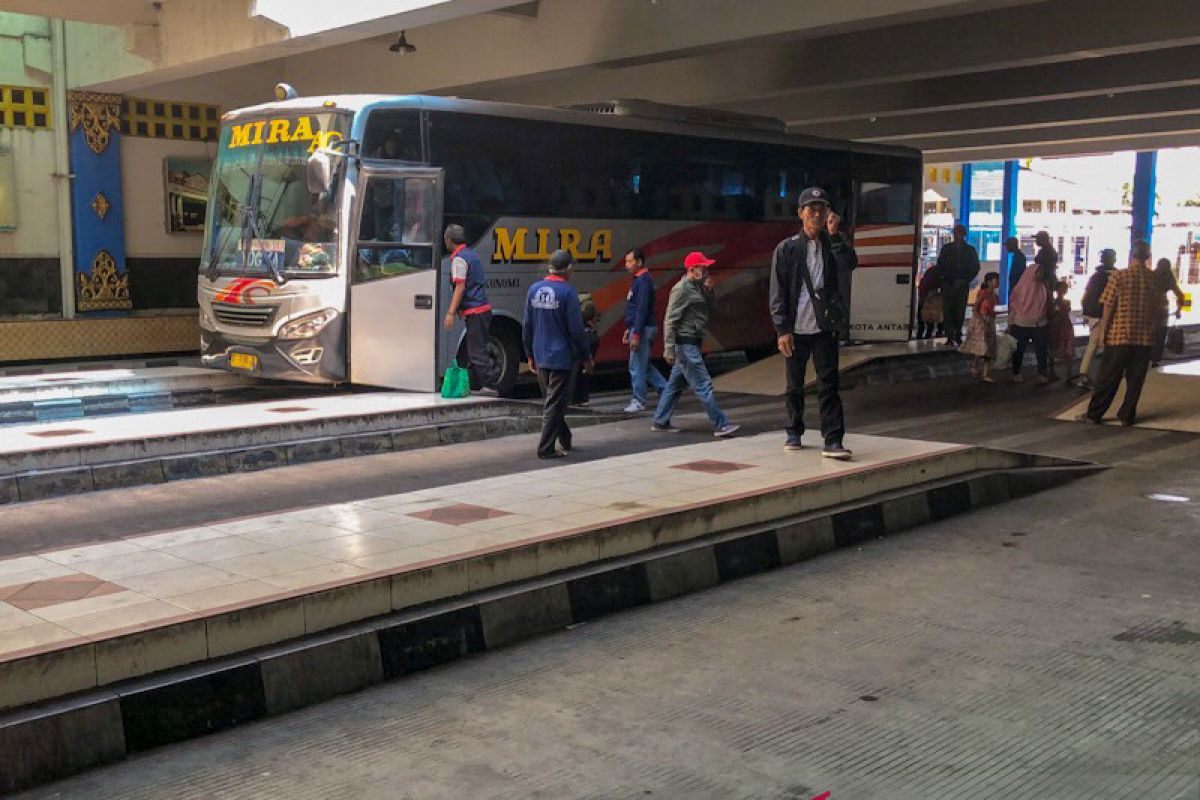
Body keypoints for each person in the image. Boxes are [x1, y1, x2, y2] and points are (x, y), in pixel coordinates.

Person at [768, 186, 853, 459]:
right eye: (812, 209)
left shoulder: (833, 243)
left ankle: (833, 439)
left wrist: (835, 235)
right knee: (795, 384)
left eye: (822, 208)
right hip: (796, 328)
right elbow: (778, 290)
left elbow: (849, 263)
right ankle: (794, 431)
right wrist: (782, 329)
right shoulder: (787, 249)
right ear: (800, 213)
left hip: (824, 327)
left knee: (828, 384)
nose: (817, 214)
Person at [651, 251, 740, 438]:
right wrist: (668, 348)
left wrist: (709, 291)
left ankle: (660, 420)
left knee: (674, 386)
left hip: (692, 342)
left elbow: (709, 308)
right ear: (693, 270)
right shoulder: (681, 289)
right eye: (703, 267)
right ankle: (721, 424)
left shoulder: (698, 287)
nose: (707, 270)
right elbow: (670, 319)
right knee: (703, 384)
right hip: (685, 345)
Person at [1079, 240, 1160, 426]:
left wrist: (1103, 333)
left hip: (1119, 336)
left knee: (1108, 376)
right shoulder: (1154, 278)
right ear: (1147, 256)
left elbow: (1108, 307)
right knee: (1136, 380)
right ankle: (1127, 415)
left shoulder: (1119, 276)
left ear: (1131, 255)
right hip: (1144, 337)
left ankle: (1094, 414)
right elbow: (1157, 307)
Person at [523, 250, 593, 458]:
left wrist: (529, 353)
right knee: (554, 403)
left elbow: (528, 325)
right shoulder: (568, 292)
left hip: (540, 353)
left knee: (553, 401)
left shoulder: (533, 290)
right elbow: (576, 330)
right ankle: (545, 448)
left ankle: (565, 437)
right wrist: (586, 357)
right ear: (569, 269)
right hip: (562, 357)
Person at [443, 224, 499, 395]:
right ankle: (473, 385)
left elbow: (460, 287)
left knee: (476, 351)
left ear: (448, 240)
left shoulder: (459, 259)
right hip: (480, 309)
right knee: (471, 350)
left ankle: (491, 386)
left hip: (476, 311)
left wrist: (450, 312)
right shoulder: (470, 254)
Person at [622, 248, 667, 413]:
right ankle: (667, 392)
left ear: (639, 262)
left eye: (629, 261)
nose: (627, 265)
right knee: (645, 366)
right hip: (641, 327)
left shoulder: (643, 281)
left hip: (643, 328)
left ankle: (638, 400)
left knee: (636, 366)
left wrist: (636, 333)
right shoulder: (639, 280)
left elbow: (641, 309)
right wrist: (630, 328)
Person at [1078, 248, 1118, 389]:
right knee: (1104, 345)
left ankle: (1085, 375)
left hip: (1093, 316)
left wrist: (1085, 314)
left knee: (1093, 345)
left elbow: (1086, 296)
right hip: (1107, 316)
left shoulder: (1095, 277)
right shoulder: (1115, 276)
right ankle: (1096, 377)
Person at [935, 224, 980, 346]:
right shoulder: (947, 249)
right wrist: (944, 279)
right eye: (956, 234)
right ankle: (950, 335)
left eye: (960, 234)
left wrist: (965, 280)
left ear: (964, 235)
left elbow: (975, 267)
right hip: (948, 284)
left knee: (960, 312)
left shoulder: (970, 250)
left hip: (962, 285)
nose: (958, 236)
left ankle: (958, 334)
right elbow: (940, 266)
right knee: (948, 311)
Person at [1007, 261, 1050, 383]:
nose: (1040, 275)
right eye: (1038, 272)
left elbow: (1045, 304)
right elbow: (1013, 306)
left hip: (1040, 322)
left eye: (1042, 272)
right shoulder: (1021, 288)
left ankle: (1042, 374)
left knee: (1041, 349)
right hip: (1022, 323)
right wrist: (1010, 323)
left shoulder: (1042, 287)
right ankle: (1016, 372)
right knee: (1019, 349)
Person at [960, 271, 999, 382]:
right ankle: (977, 368)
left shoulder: (994, 295)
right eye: (995, 280)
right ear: (989, 282)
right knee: (983, 347)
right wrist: (983, 321)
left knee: (988, 348)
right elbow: (975, 309)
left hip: (989, 322)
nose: (997, 282)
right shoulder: (983, 293)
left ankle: (982, 371)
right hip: (981, 323)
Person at [1152, 257, 1186, 366]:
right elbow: (1180, 295)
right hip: (1162, 309)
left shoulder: (1151, 276)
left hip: (1149, 308)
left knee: (1148, 333)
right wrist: (1178, 310)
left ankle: (1145, 357)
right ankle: (1155, 359)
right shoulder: (1169, 279)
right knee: (1160, 335)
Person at [571, 299, 601, 407]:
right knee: (583, 375)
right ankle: (582, 399)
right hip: (584, 361)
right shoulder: (592, 337)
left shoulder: (575, 330)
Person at [1047, 279, 1075, 382]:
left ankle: (1058, 372)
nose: (1063, 290)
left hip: (1058, 326)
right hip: (1063, 326)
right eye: (1062, 288)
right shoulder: (1064, 303)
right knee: (1065, 348)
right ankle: (1067, 372)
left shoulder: (1055, 303)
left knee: (1059, 348)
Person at [916, 264, 943, 340]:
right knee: (932, 320)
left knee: (922, 319)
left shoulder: (930, 272)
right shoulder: (941, 273)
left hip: (925, 298)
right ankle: (933, 334)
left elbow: (923, 285)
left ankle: (920, 334)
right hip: (933, 300)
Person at [1034, 230, 1059, 295]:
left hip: (1046, 281)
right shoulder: (1044, 250)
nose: (1036, 241)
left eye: (1038, 239)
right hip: (1045, 281)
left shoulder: (1048, 251)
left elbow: (1046, 268)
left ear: (1043, 239)